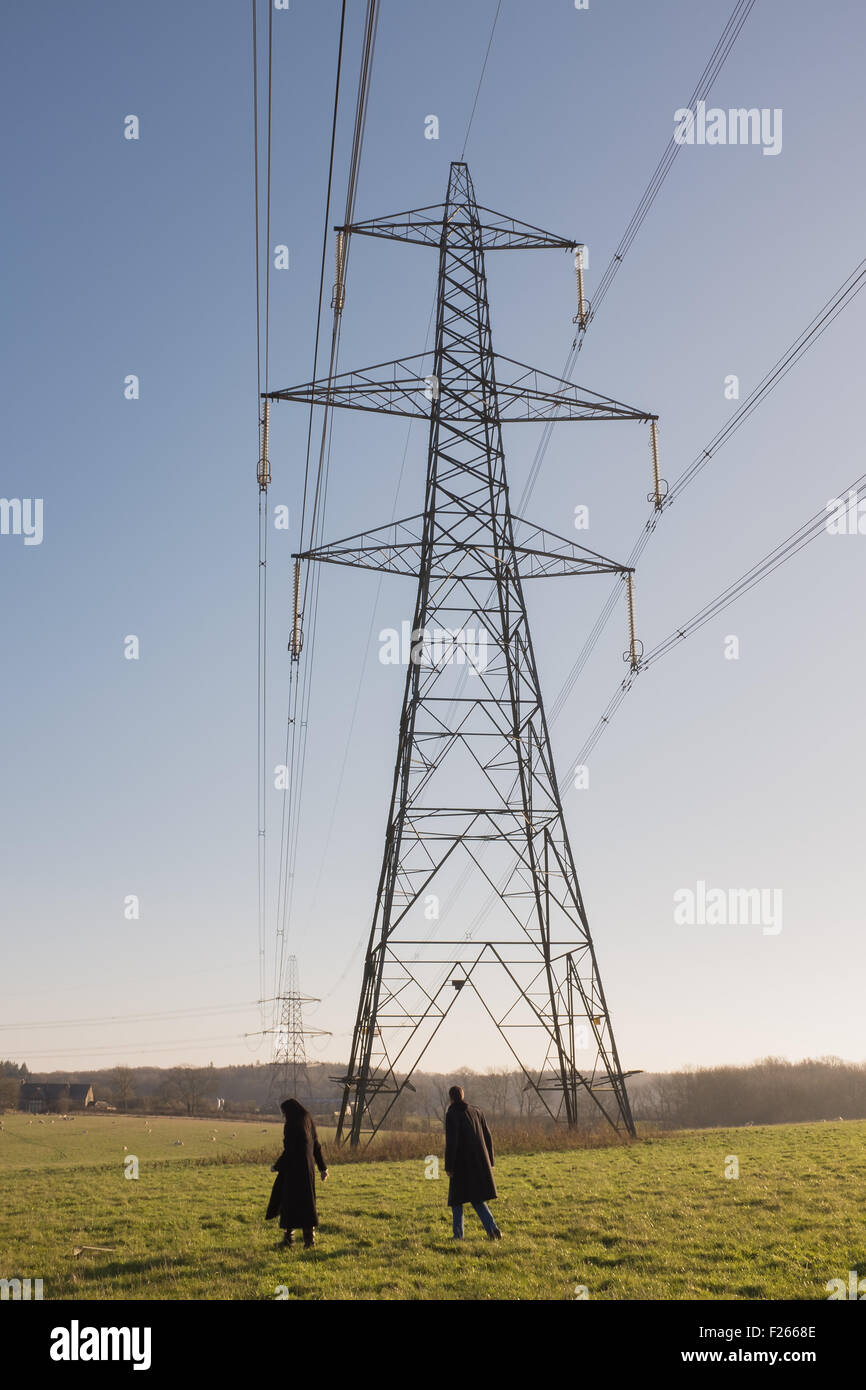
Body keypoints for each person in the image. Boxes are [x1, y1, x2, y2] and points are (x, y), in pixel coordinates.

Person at [266, 1097, 328, 1249]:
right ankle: (309, 1241)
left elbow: (289, 1151)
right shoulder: (308, 1119)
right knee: (307, 1204)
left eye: (284, 1113)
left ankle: (288, 1240)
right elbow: (316, 1146)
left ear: (289, 1111)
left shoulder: (291, 1125)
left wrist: (276, 1166)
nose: (283, 1116)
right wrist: (323, 1168)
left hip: (293, 1170)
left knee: (288, 1204)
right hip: (308, 1169)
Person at [444, 1084, 502, 1240]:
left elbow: (452, 1143)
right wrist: (491, 1160)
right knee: (476, 1199)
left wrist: (449, 1166)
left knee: (456, 1201)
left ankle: (458, 1235)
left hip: (461, 1165)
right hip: (480, 1164)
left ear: (451, 1098)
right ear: (462, 1096)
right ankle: (493, 1230)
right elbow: (488, 1136)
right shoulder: (476, 1111)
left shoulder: (452, 1114)